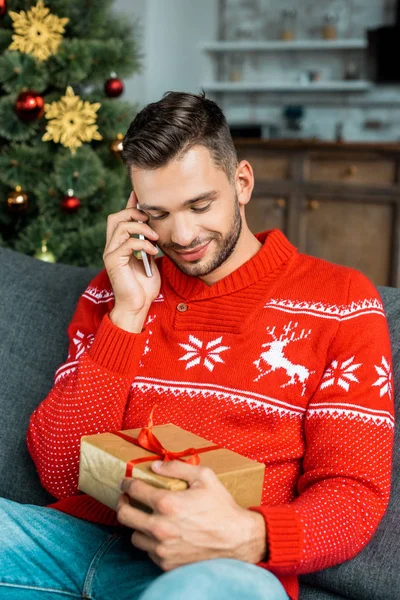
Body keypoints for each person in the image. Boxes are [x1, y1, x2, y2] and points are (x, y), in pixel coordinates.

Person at [0, 91, 394, 600]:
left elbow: (353, 493)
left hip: (216, 567)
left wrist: (248, 536)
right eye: (158, 213)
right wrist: (127, 315)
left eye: (200, 205)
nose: (182, 234)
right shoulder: (116, 288)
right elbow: (58, 469)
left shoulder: (341, 301)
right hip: (67, 544)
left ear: (243, 182)